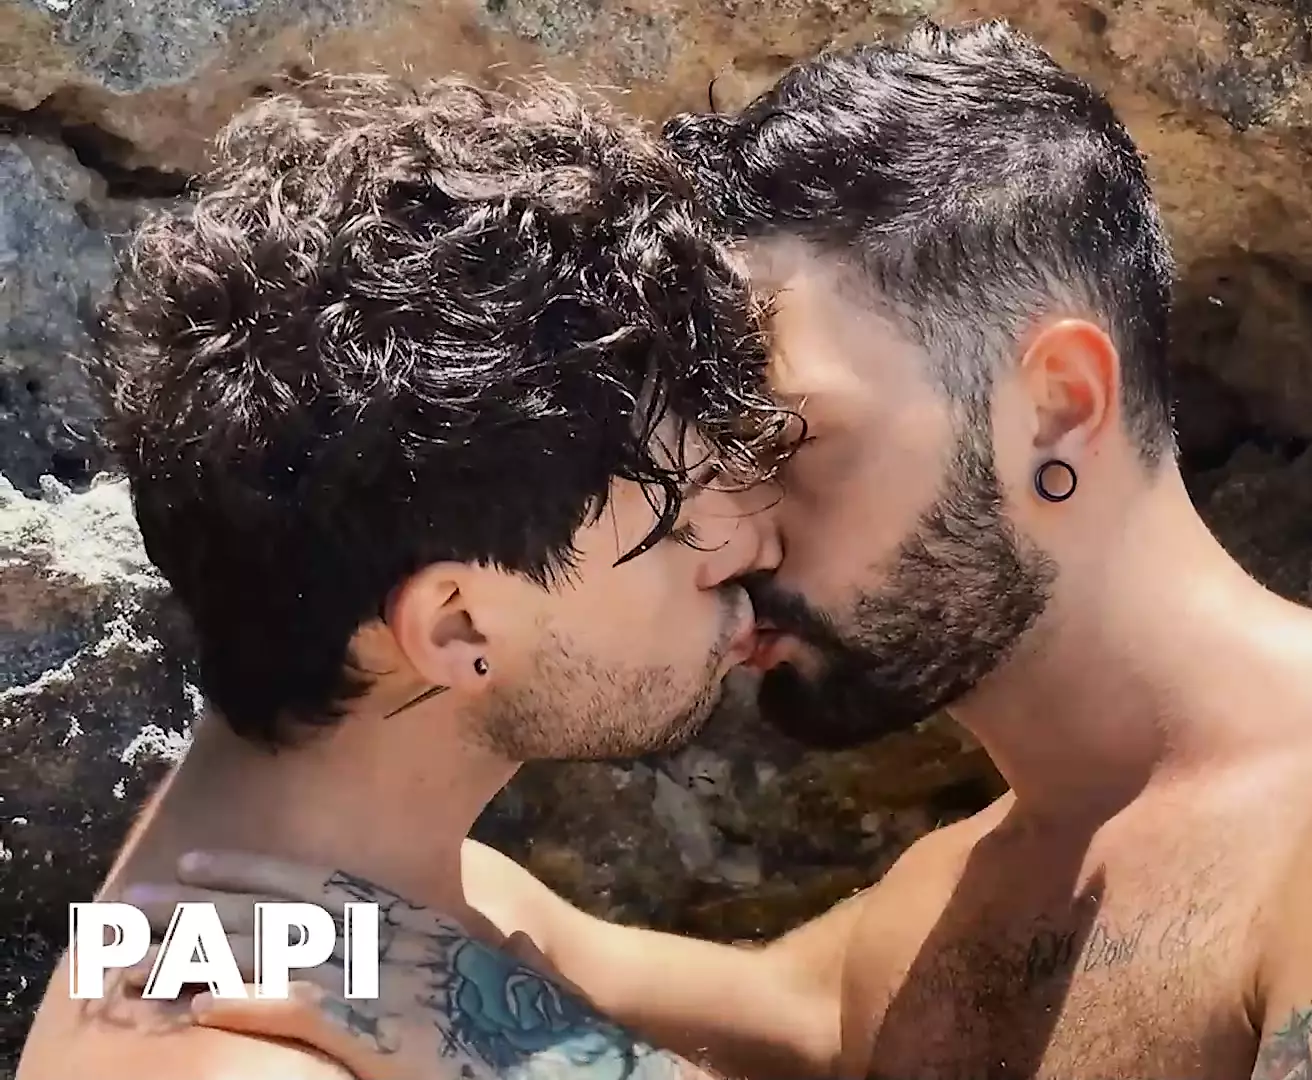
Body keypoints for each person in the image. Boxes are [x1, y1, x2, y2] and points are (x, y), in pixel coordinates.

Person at [122, 21, 1312, 1080]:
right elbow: (469, 917)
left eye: (788, 439)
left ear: (1055, 407)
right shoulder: (943, 905)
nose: (730, 528)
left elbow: (520, 1004)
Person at [15, 73, 799, 1080]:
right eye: (681, 523)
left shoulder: (399, 921)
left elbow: (828, 1011)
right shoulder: (254, 1061)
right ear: (458, 627)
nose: (752, 548)